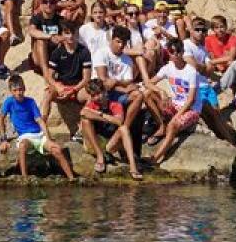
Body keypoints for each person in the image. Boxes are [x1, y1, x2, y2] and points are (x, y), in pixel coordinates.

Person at [0, 75, 75, 179]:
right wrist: (3, 139)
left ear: (24, 88)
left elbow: (40, 121)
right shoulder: (9, 102)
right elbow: (1, 119)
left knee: (57, 150)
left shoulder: (30, 102)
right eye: (15, 90)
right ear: (11, 91)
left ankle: (71, 178)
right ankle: (25, 178)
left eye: (20, 89)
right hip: (25, 136)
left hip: (38, 135)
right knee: (23, 146)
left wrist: (48, 139)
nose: (18, 93)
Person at [94, 25, 147, 159]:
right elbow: (104, 81)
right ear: (112, 39)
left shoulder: (127, 59)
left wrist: (116, 83)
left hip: (119, 94)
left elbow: (128, 82)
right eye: (118, 41)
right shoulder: (101, 53)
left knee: (138, 95)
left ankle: (121, 132)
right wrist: (121, 85)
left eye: (123, 43)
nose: (121, 45)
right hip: (103, 94)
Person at [148, 39, 203, 164]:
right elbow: (149, 82)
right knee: (148, 94)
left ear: (182, 52)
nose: (176, 54)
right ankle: (162, 127)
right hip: (175, 104)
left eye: (178, 51)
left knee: (172, 125)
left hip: (191, 109)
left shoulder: (191, 72)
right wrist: (161, 91)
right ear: (169, 52)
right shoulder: (168, 67)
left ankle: (155, 158)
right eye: (172, 51)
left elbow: (191, 100)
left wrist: (176, 117)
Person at [80, 77, 142, 179]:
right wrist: (107, 117)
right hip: (96, 142)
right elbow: (83, 113)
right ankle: (100, 157)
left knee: (124, 129)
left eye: (99, 93)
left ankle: (133, 166)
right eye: (94, 95)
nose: (97, 97)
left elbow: (119, 121)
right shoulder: (92, 104)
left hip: (110, 144)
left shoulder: (114, 104)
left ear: (105, 91)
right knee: (85, 121)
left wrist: (100, 115)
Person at [42, 26, 92, 125]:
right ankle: (42, 126)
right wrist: (57, 86)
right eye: (67, 33)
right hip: (62, 86)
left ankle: (81, 130)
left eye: (73, 33)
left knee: (91, 97)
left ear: (77, 34)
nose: (71, 36)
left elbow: (86, 78)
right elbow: (49, 76)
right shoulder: (57, 52)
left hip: (77, 88)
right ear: (63, 35)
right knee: (48, 94)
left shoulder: (84, 51)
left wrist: (73, 90)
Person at [28, 0, 66, 79]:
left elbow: (68, 35)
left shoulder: (60, 20)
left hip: (54, 56)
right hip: (38, 59)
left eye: (52, 2)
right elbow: (31, 31)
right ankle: (46, 74)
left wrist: (60, 38)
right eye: (45, 2)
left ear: (55, 4)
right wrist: (50, 36)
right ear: (41, 4)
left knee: (64, 41)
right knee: (40, 40)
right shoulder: (37, 18)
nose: (48, 5)